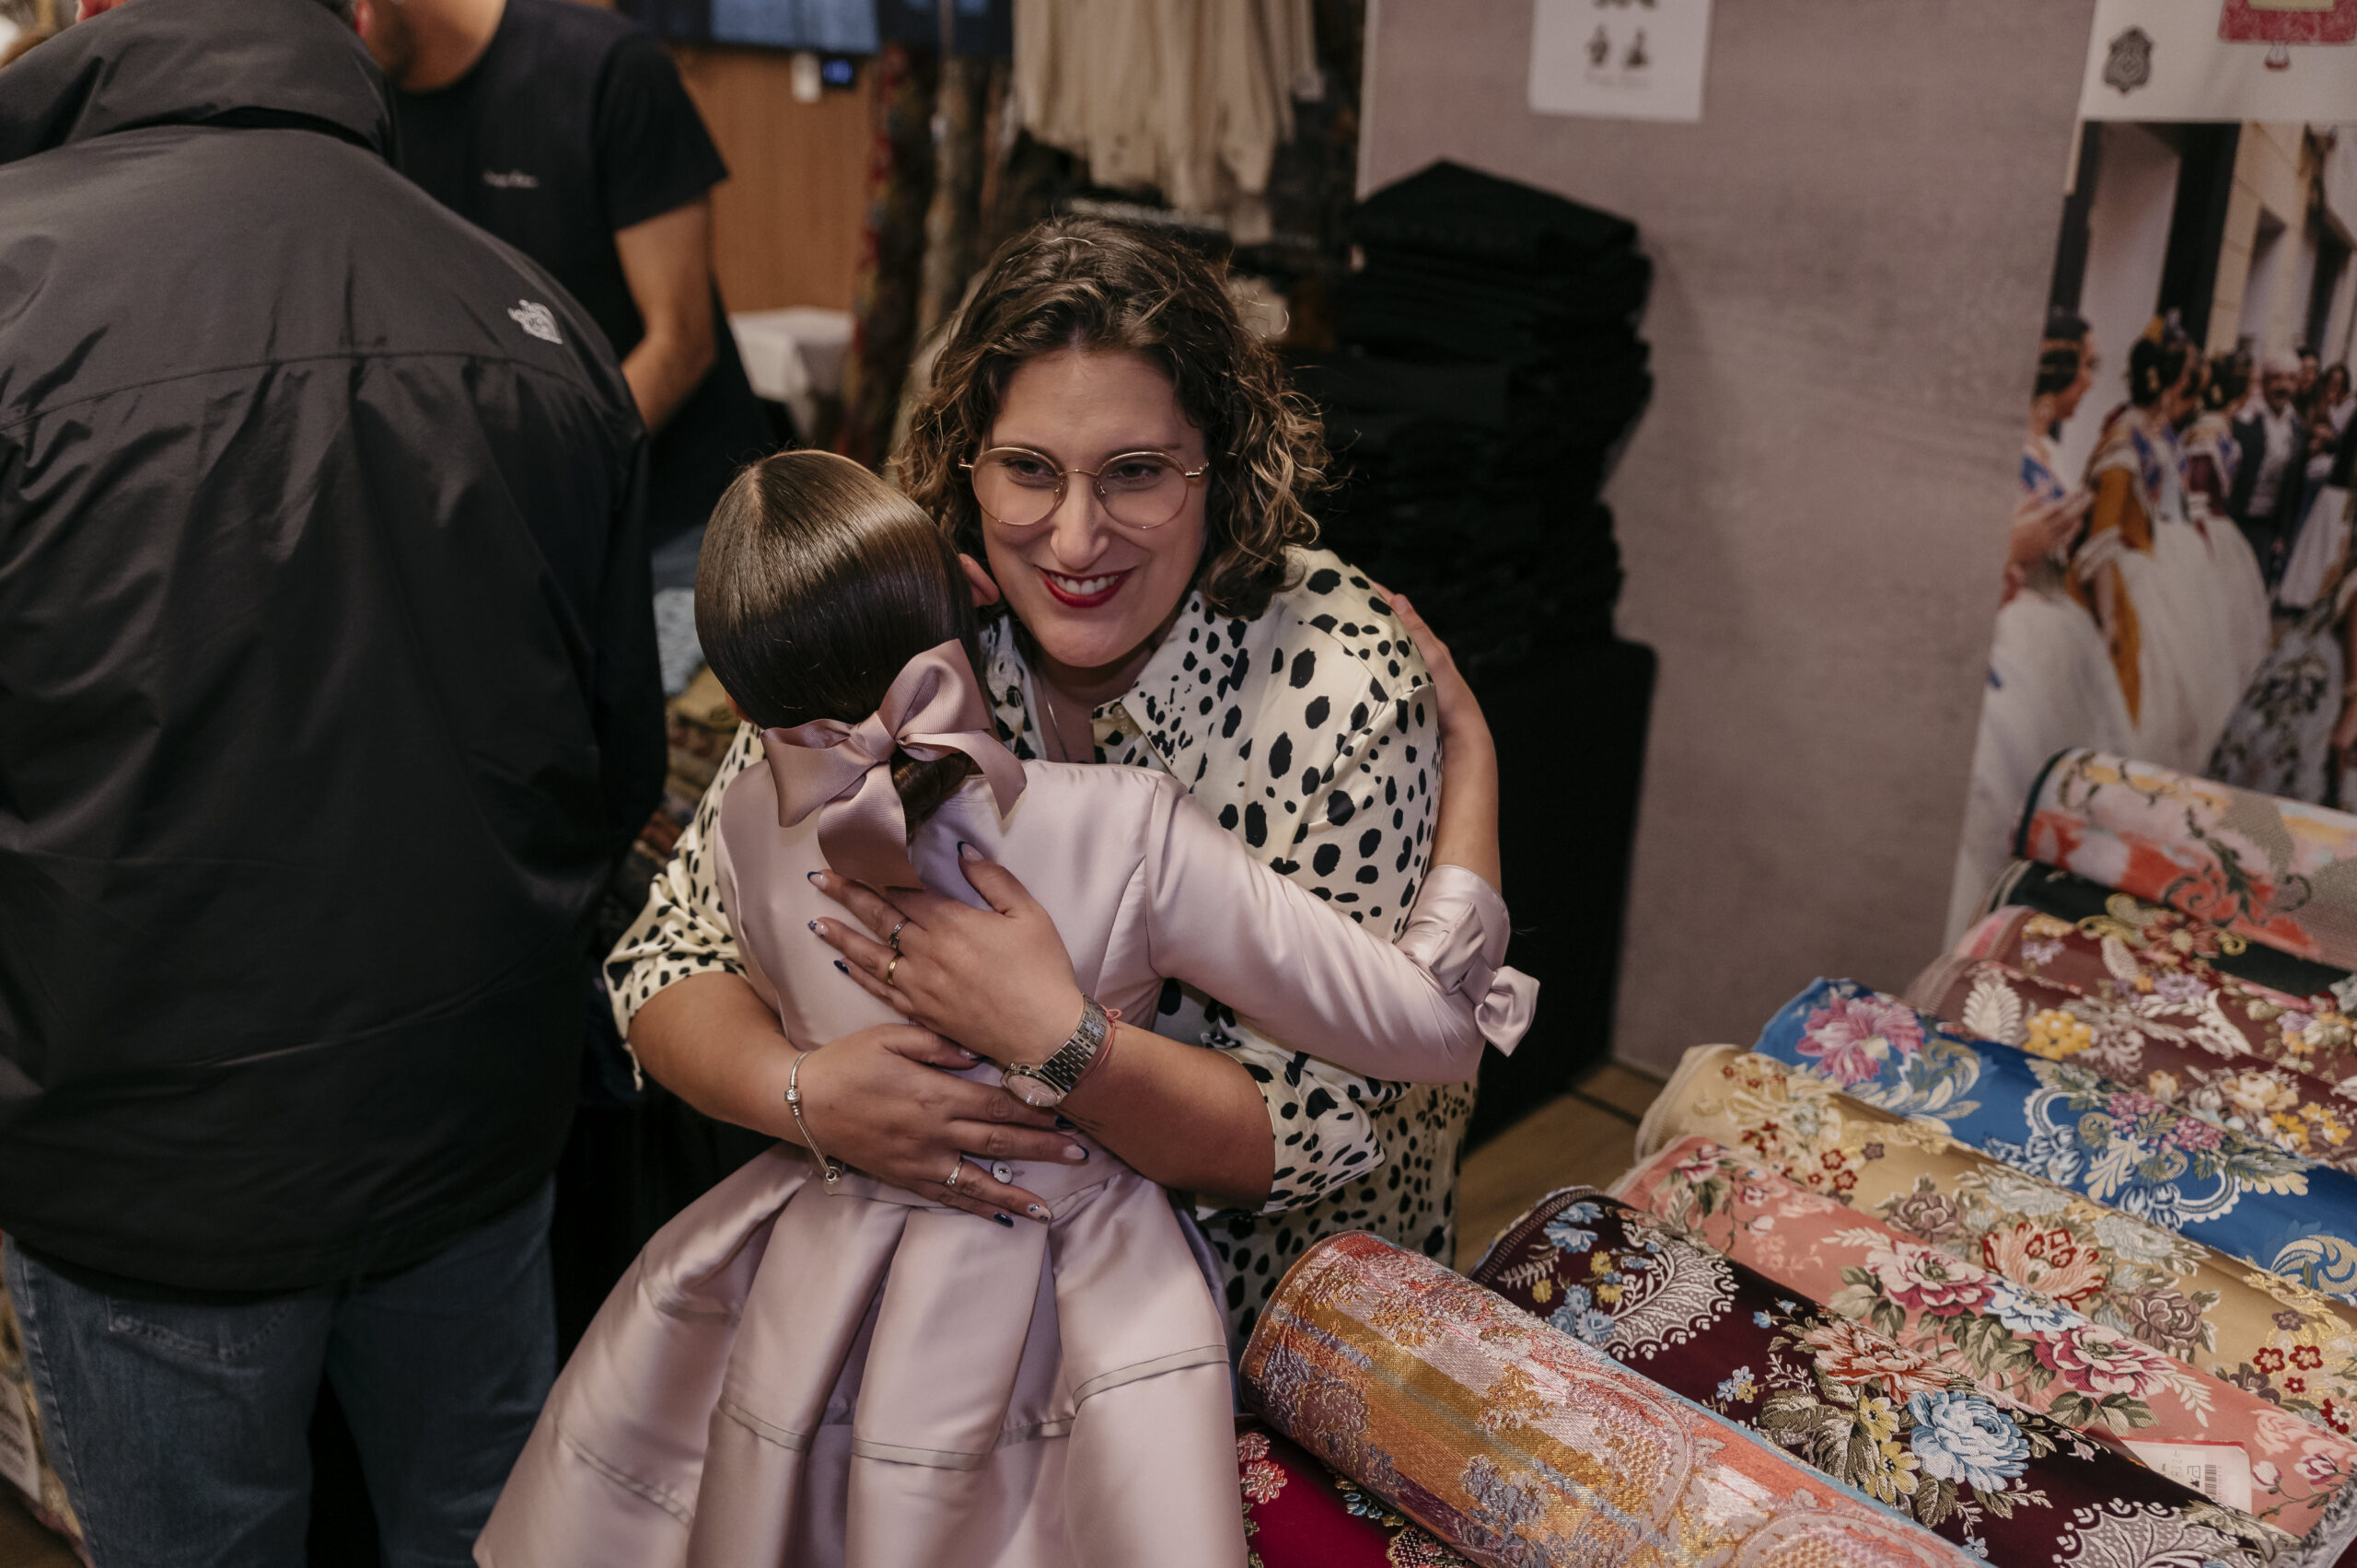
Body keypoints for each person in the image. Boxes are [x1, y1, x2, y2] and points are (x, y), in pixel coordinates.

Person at [479, 450, 1529, 1566]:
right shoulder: (1126, 829)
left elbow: (658, 964)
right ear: (972, 596)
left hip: (823, 1290)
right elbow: (1431, 1030)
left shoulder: (747, 817)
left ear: (739, 700)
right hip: (1083, 1292)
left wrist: (803, 1090)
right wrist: (1472, 761)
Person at [0, 0, 664, 1562]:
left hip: (144, 1160)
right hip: (466, 1130)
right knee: (483, 1533)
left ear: (94, 15)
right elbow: (614, 765)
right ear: (352, 21)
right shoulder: (530, 313)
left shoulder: (20, 288)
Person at [609, 218, 1479, 1343]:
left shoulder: (1337, 681)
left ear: (1221, 462)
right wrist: (805, 1094)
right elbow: (666, 956)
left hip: (1267, 1324)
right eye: (1026, 469)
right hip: (935, 1326)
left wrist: (1063, 1043)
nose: (1073, 540)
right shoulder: (894, 616)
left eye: (1136, 473)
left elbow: (1331, 1120)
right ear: (964, 460)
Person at [357, 0, 773, 563]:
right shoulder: (363, 105)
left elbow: (681, 343)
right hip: (519, 530)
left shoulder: (604, 68)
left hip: (678, 522)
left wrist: (527, 483)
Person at [1946, 311, 2132, 938]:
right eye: (2086, 366)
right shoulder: (1999, 449)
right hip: (2021, 624)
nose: (2089, 381)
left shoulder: (2046, 448)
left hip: (2047, 615)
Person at [2076, 323, 2269, 772]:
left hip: (2161, 558)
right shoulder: (2126, 435)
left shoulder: (2156, 432)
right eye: (2186, 376)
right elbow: (2103, 531)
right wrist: (2108, 616)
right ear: (2173, 382)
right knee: (2146, 690)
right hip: (2133, 571)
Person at [2230, 354, 2312, 579]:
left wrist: (2284, 534)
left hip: (2267, 528)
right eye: (2276, 379)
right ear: (2264, 383)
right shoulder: (2245, 421)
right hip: (2237, 519)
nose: (2283, 386)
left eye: (2290, 379)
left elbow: (2294, 488)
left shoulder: (2297, 430)